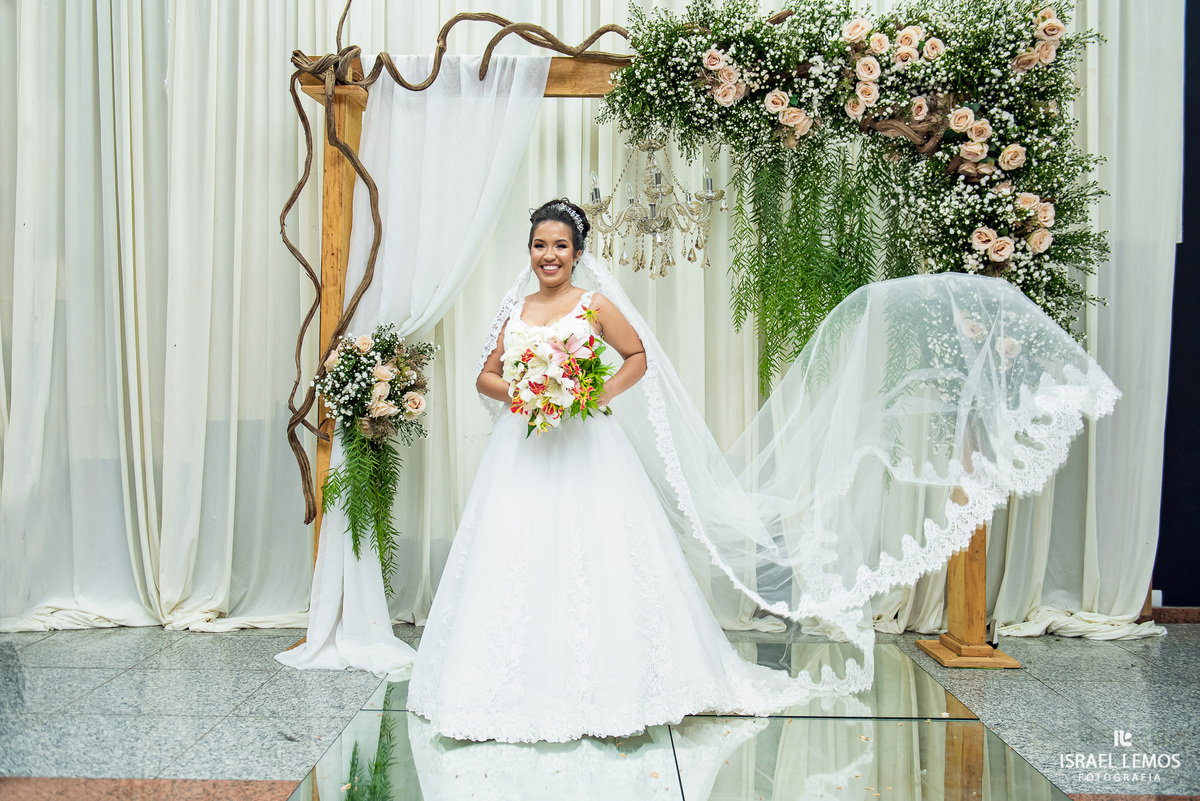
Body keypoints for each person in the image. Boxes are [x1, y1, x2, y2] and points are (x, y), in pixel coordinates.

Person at [405, 198, 1120, 744]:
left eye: (560, 244)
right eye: (539, 244)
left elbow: (636, 359)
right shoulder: (520, 307)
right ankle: (511, 681)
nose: (548, 254)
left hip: (586, 447)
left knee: (598, 558)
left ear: (579, 250)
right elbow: (486, 376)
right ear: (528, 250)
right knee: (518, 558)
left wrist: (586, 393)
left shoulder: (594, 304)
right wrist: (529, 392)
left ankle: (617, 685)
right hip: (526, 452)